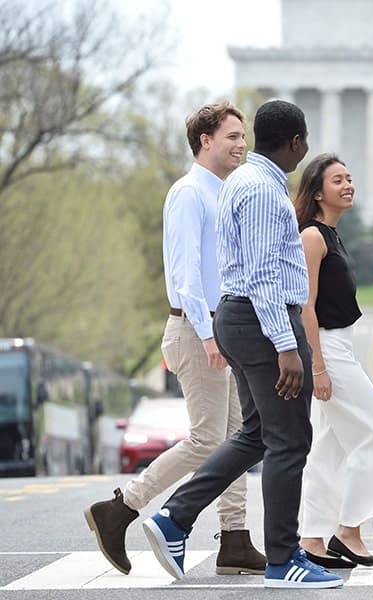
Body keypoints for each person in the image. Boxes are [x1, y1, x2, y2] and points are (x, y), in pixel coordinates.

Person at [140, 100, 342, 589]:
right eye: (305, 141)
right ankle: (282, 560)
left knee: (255, 434)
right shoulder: (261, 192)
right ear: (295, 143)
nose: (306, 150)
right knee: (290, 441)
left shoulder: (245, 183)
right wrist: (286, 346)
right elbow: (262, 274)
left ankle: (175, 517)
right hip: (261, 320)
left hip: (241, 318)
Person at [83, 101, 267, 576]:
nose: (241, 144)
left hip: (219, 327)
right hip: (195, 327)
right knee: (209, 438)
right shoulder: (189, 193)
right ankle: (121, 507)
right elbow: (186, 274)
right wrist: (208, 335)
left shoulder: (223, 193)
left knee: (238, 437)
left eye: (243, 136)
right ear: (205, 140)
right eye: (231, 136)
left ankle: (235, 540)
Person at [293, 153, 373, 568]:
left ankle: (312, 539)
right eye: (338, 179)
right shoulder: (312, 238)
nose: (348, 184)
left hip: (340, 346)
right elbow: (306, 307)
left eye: (350, 178)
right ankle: (348, 530)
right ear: (318, 192)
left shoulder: (333, 235)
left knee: (329, 450)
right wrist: (317, 367)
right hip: (328, 350)